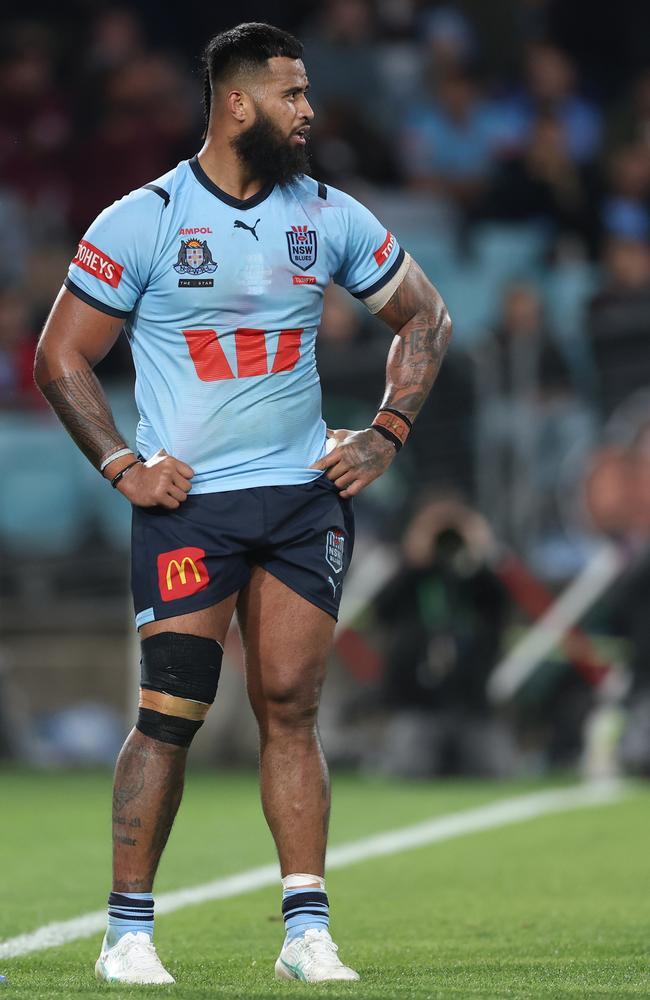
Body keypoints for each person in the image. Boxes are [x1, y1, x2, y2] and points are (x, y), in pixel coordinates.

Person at [34, 22, 451, 986]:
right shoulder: (145, 218)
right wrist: (120, 465)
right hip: (193, 509)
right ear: (236, 104)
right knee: (171, 711)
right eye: (292, 95)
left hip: (304, 498)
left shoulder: (328, 215)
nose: (308, 113)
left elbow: (425, 314)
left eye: (307, 95)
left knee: (293, 706)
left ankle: (307, 930)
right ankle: (127, 933)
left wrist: (386, 432)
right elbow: (59, 357)